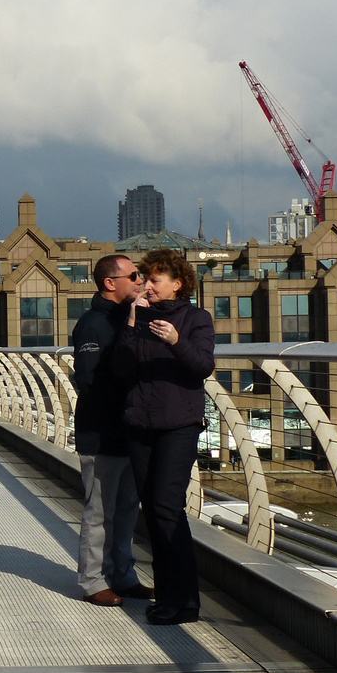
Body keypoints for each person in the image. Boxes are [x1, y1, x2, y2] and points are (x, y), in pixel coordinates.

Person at [110, 248, 215, 626]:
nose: (148, 286)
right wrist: (132, 323)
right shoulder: (137, 318)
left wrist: (175, 340)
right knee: (151, 511)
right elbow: (121, 370)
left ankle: (185, 601)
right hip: (140, 423)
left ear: (178, 283)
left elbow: (202, 366)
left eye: (155, 280)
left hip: (178, 425)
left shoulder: (195, 318)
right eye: (145, 279)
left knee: (168, 507)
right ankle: (167, 594)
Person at [71, 255, 153, 607]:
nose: (140, 280)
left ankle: (124, 574)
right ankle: (92, 580)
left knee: (126, 509)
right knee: (100, 510)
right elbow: (90, 382)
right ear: (110, 282)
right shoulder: (93, 324)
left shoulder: (130, 319)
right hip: (102, 431)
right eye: (134, 275)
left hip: (130, 431)